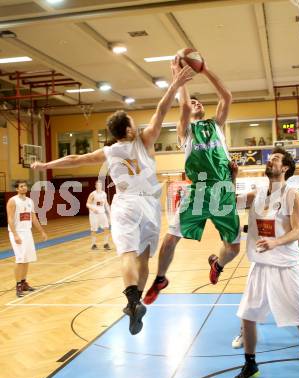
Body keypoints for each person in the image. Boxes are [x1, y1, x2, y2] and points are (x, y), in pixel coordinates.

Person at [32, 63, 193, 334]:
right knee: (142, 257)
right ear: (129, 130)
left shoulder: (109, 151)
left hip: (127, 203)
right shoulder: (144, 140)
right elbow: (161, 110)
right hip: (150, 205)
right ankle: (137, 301)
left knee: (127, 253)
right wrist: (174, 85)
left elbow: (74, 159)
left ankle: (132, 301)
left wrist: (46, 165)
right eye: (133, 122)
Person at [230, 147, 299, 378]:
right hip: (259, 265)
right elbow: (230, 202)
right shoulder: (257, 193)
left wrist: (275, 242)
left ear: (285, 168)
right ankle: (250, 364)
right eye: (270, 159)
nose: (271, 161)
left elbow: (298, 231)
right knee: (247, 318)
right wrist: (233, 178)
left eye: (276, 159)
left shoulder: (292, 194)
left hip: (285, 267)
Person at [144, 60, 240, 305]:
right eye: (192, 102)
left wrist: (204, 69)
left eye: (199, 102)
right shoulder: (185, 129)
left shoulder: (216, 125)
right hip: (199, 191)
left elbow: (226, 96)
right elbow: (184, 106)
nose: (195, 103)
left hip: (223, 190)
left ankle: (217, 264)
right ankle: (160, 278)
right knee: (170, 238)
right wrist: (179, 76)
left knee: (233, 249)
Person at [7, 180, 48, 297]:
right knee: (20, 259)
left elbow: (33, 218)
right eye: (21, 186)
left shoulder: (30, 201)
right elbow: (10, 219)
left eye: (25, 185)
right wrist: (15, 234)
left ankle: (24, 282)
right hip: (17, 232)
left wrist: (42, 231)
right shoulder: (13, 201)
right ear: (17, 189)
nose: (24, 187)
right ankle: (18, 285)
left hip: (27, 232)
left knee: (27, 258)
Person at [86, 180, 111, 250]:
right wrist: (93, 209)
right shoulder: (92, 194)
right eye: (98, 185)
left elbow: (106, 204)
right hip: (94, 214)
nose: (99, 186)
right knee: (94, 230)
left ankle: (106, 244)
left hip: (102, 213)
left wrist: (110, 212)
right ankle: (93, 245)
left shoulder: (104, 194)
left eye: (100, 185)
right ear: (96, 186)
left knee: (106, 228)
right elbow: (87, 204)